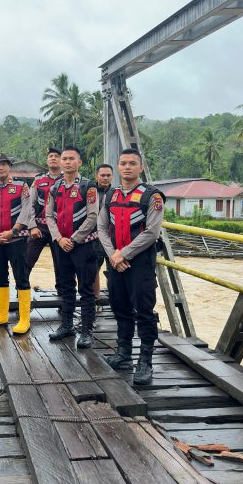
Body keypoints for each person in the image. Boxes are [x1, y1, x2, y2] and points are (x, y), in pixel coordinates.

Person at [98, 148, 165, 385]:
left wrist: (122, 254)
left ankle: (145, 362)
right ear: (118, 167)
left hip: (140, 263)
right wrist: (113, 255)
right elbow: (102, 228)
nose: (127, 167)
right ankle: (123, 354)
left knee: (144, 311)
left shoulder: (152, 196)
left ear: (141, 168)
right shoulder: (110, 195)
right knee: (120, 307)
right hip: (115, 261)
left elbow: (152, 232)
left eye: (132, 163)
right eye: (123, 163)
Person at [45, 146, 99, 345]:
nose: (67, 162)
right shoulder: (54, 188)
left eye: (71, 159)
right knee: (66, 286)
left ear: (80, 163)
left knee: (86, 289)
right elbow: (49, 216)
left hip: (83, 246)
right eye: (64, 159)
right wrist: (59, 239)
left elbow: (93, 216)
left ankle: (86, 331)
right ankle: (66, 325)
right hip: (61, 245)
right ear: (60, 162)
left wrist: (74, 239)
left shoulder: (88, 187)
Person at [0, 152, 34, 335]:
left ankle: (24, 318)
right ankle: (1, 314)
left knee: (22, 275)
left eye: (4, 164)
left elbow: (26, 211)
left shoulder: (21, 186)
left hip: (17, 240)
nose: (0, 167)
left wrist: (12, 232)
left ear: (9, 166)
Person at [26, 148, 63, 290]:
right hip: (39, 227)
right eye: (51, 156)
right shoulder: (38, 180)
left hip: (60, 230)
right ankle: (21, 292)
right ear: (47, 160)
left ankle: (62, 296)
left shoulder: (68, 180)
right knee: (27, 260)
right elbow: (30, 204)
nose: (53, 158)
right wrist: (32, 226)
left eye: (57, 156)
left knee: (61, 265)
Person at [92, 164, 114, 302]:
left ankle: (115, 299)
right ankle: (96, 300)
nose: (105, 178)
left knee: (114, 270)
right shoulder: (90, 191)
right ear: (96, 176)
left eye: (108, 175)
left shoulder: (117, 193)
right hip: (93, 238)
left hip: (113, 238)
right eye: (102, 175)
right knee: (94, 270)